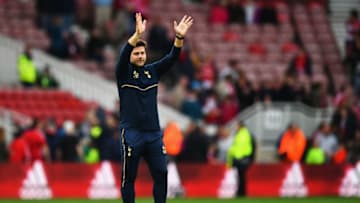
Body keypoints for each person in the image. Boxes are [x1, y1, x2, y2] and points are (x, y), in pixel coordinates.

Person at [115, 13, 193, 203]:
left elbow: (172, 57)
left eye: (142, 53)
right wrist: (136, 35)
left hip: (153, 135)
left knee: (162, 173)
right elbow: (125, 53)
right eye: (137, 53)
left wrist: (179, 38)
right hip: (132, 133)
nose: (140, 56)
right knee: (129, 178)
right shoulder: (123, 73)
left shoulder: (153, 72)